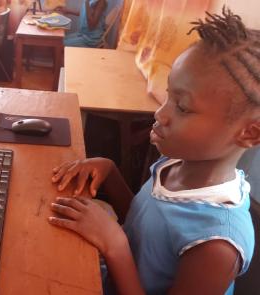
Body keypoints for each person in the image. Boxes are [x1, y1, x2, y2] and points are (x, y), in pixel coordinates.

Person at [48, 7, 258, 295]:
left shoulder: (216, 245)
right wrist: (109, 170)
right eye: (169, 95)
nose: (160, 113)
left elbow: (134, 242)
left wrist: (114, 244)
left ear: (250, 133)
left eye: (182, 107)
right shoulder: (176, 163)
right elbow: (145, 227)